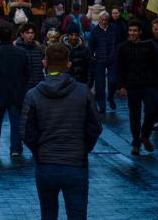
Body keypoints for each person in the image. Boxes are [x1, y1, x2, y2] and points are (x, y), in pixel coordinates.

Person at [21, 42, 103, 220]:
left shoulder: (33, 95)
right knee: (77, 214)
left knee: (48, 213)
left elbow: (26, 132)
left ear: (45, 63)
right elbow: (95, 125)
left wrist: (38, 150)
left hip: (46, 162)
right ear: (68, 64)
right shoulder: (83, 92)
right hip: (75, 162)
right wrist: (84, 147)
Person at [116, 19, 158, 155]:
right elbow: (119, 68)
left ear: (140, 32)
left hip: (148, 83)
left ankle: (145, 135)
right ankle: (136, 142)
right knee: (134, 115)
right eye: (130, 31)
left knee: (151, 111)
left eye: (135, 31)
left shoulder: (148, 46)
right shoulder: (123, 47)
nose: (132, 33)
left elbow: (156, 65)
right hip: (132, 85)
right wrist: (121, 86)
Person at [0, 24, 29, 156]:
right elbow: (27, 73)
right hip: (16, 90)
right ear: (12, 37)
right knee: (15, 120)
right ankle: (15, 148)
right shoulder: (21, 52)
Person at [89, 11, 119, 113]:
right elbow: (91, 45)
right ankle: (102, 106)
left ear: (108, 20)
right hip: (99, 59)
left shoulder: (114, 28)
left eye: (105, 20)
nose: (103, 22)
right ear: (99, 20)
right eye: (102, 20)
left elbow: (118, 42)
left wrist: (116, 53)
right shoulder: (95, 30)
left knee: (112, 81)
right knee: (99, 84)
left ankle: (110, 98)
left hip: (112, 58)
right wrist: (92, 57)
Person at [15, 24, 45, 92]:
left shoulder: (38, 48)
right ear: (22, 34)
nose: (30, 35)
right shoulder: (17, 49)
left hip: (38, 86)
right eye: (27, 33)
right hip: (24, 87)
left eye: (32, 33)